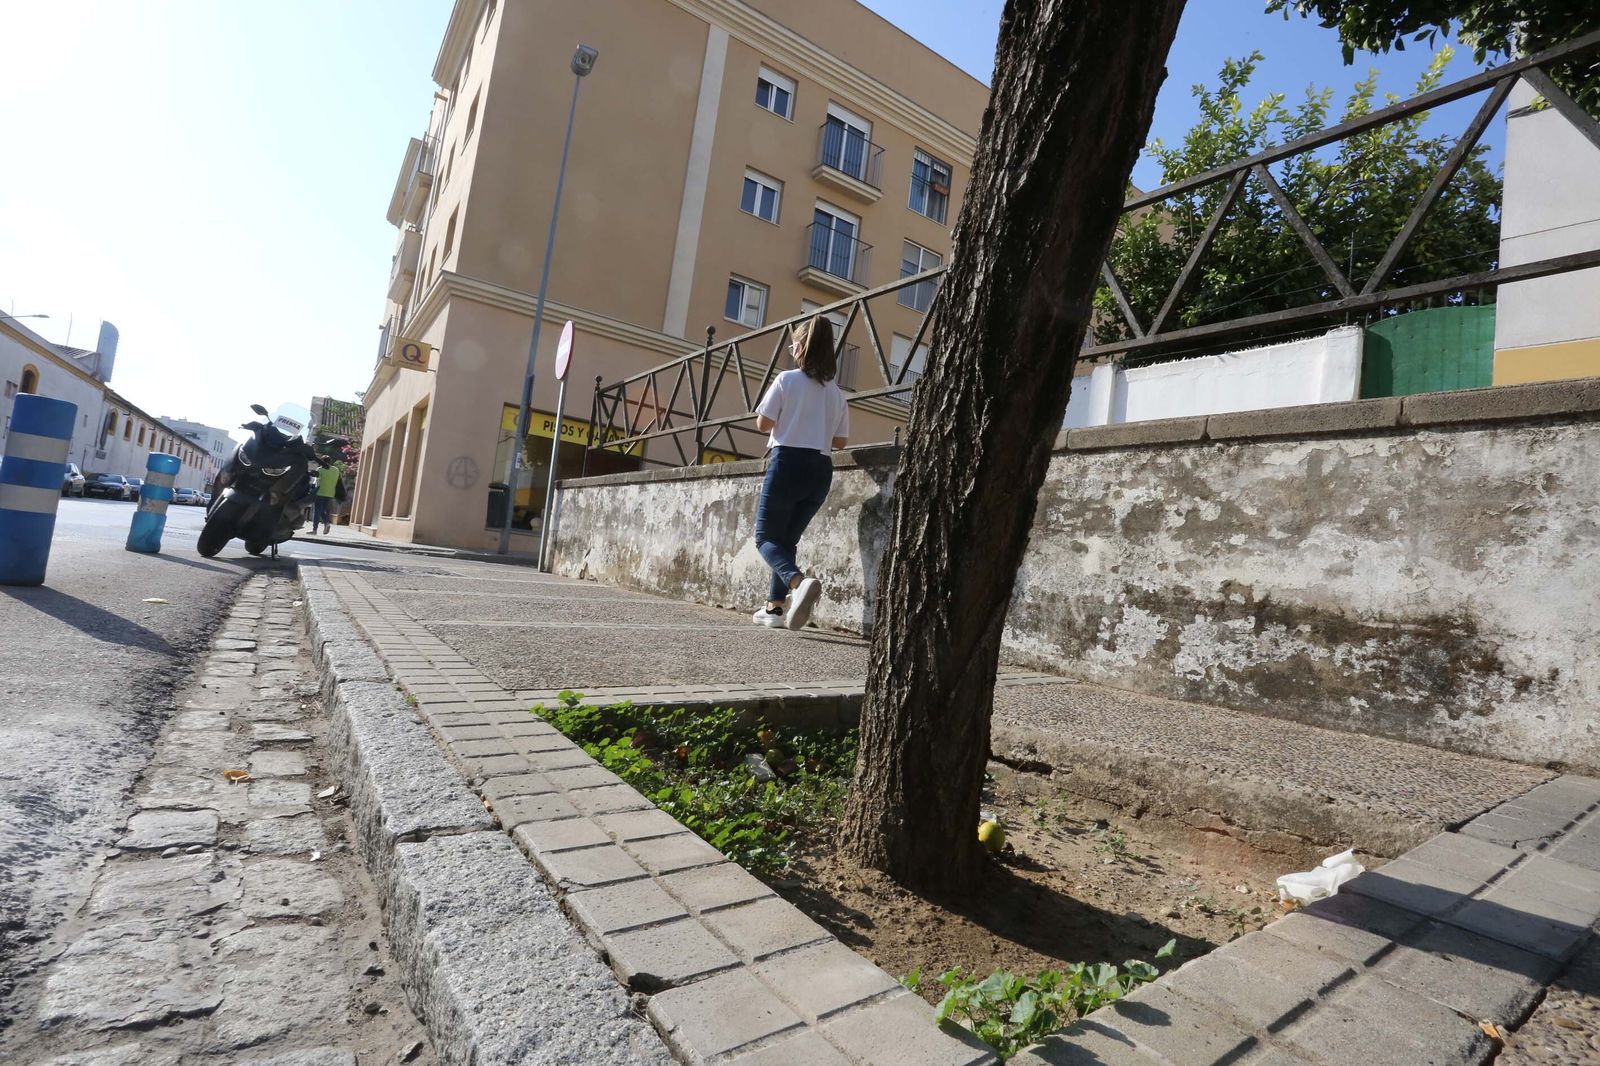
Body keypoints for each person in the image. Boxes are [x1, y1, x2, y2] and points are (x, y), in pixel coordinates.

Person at [751, 316, 849, 631]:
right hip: (821, 469)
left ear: (802, 347)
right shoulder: (836, 393)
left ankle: (797, 582)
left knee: (765, 537)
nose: (792, 346)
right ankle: (775, 608)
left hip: (787, 462)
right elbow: (840, 441)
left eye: (795, 342)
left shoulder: (786, 380)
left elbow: (763, 424)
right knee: (787, 540)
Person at [313, 460, 342, 535]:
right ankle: (326, 523)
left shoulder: (320, 469)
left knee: (317, 511)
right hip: (330, 494)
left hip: (320, 492)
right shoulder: (336, 470)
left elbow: (316, 480)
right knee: (323, 510)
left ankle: (314, 530)